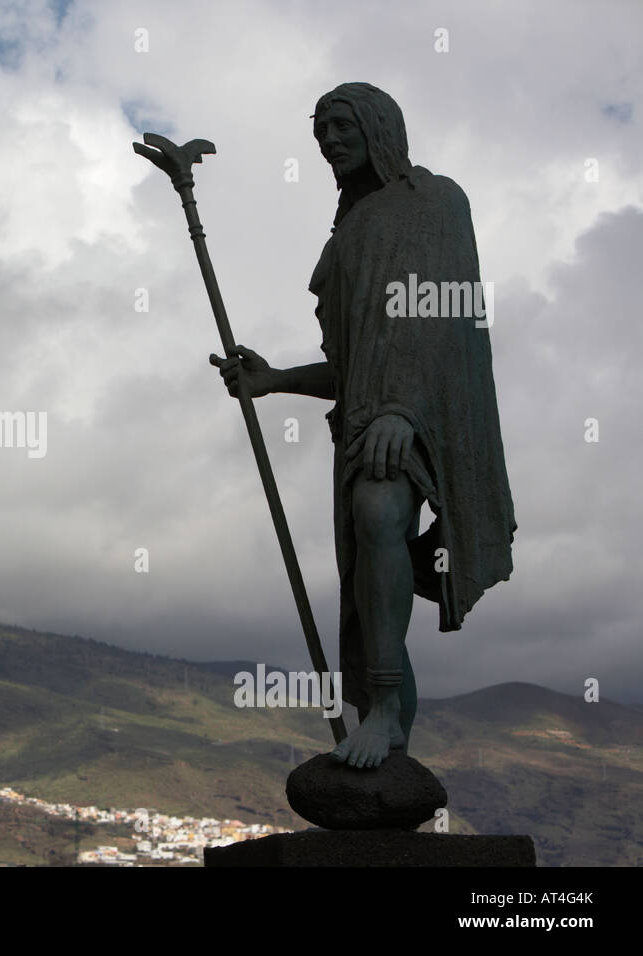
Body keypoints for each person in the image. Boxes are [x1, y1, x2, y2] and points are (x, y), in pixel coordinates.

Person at [210, 82, 516, 769]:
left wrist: (405, 410)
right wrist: (274, 381)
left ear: (379, 126)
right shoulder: (349, 230)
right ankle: (393, 732)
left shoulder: (437, 202)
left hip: (419, 417)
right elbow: (348, 365)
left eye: (341, 125)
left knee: (381, 512)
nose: (329, 141)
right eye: (320, 132)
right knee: (368, 584)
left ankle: (380, 709)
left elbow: (445, 317)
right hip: (360, 424)